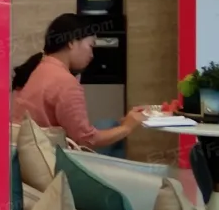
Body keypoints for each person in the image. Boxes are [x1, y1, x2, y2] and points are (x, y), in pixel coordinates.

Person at [12, 13, 144, 151]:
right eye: (90, 46)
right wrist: (127, 127)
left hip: (26, 150)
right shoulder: (64, 81)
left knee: (110, 124)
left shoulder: (39, 68)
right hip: (50, 154)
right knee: (116, 134)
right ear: (72, 42)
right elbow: (86, 140)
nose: (92, 55)